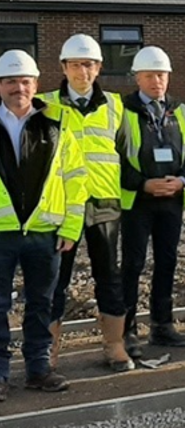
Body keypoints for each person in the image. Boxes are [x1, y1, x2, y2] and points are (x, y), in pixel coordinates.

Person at [42, 34, 133, 373]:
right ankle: (47, 353)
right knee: (55, 280)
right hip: (60, 206)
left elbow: (124, 152)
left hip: (104, 203)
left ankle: (114, 345)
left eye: (90, 64)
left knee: (109, 275)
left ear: (99, 68)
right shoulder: (45, 104)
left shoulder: (115, 105)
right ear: (64, 67)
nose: (84, 70)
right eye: (77, 64)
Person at [0, 50, 87, 401]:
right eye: (10, 81)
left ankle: (39, 369)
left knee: (42, 303)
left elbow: (76, 178)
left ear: (36, 84)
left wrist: (70, 227)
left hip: (45, 232)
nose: (18, 88)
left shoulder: (59, 122)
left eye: (25, 81)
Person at [117, 46, 185, 355]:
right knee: (133, 265)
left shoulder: (181, 111)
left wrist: (181, 180)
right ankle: (127, 331)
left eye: (162, 75)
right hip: (137, 202)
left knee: (167, 262)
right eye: (150, 75)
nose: (157, 81)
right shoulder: (122, 111)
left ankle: (162, 326)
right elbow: (114, 159)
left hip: (171, 201)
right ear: (137, 77)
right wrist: (143, 184)